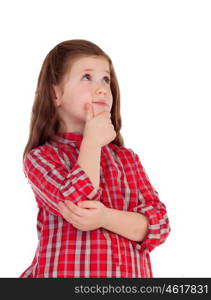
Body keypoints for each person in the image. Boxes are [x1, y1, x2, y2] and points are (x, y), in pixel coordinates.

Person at [20, 39, 170, 278]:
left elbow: (159, 225)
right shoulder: (41, 157)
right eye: (87, 77)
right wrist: (91, 143)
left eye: (106, 79)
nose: (102, 88)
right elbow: (78, 205)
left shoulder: (127, 159)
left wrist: (105, 217)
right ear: (56, 93)